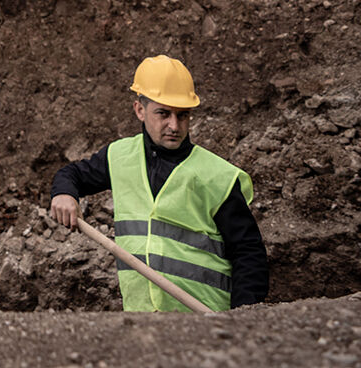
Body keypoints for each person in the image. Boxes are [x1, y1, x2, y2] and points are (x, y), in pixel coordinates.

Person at [49, 55, 268, 312]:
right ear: (140, 110)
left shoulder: (216, 177)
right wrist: (64, 193)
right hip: (143, 320)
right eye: (163, 114)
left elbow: (248, 254)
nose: (174, 126)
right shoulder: (120, 157)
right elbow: (72, 174)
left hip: (206, 320)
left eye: (182, 115)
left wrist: (244, 315)